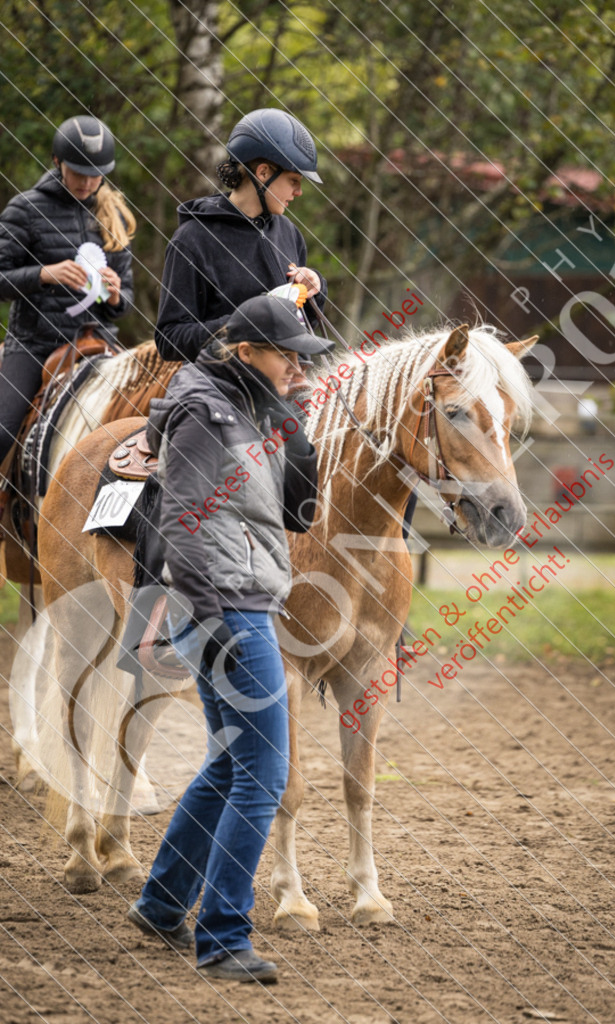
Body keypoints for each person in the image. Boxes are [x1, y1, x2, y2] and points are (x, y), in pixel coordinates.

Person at [127, 294, 333, 983]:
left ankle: (160, 904)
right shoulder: (205, 412)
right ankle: (221, 937)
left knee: (229, 763)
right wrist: (214, 617)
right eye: (284, 357)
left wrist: (293, 426)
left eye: (299, 360)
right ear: (243, 352)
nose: (294, 369)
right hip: (224, 606)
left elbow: (294, 512)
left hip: (233, 599)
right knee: (264, 775)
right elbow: (185, 518)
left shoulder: (245, 405)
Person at [0, 114, 135, 467]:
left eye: (97, 174)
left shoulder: (114, 216)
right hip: (35, 346)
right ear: (58, 162)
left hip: (98, 344)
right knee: (2, 429)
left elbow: (125, 301)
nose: (89, 182)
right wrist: (44, 274)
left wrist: (116, 294)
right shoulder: (25, 209)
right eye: (79, 172)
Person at [154, 108, 327, 364]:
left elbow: (298, 324)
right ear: (264, 172)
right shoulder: (191, 240)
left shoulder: (289, 233)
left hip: (289, 387)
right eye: (293, 180)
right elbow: (170, 340)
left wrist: (315, 289)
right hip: (225, 393)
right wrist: (246, 321)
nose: (299, 192)